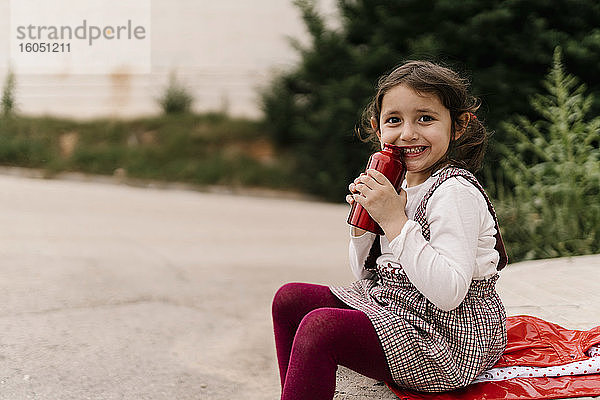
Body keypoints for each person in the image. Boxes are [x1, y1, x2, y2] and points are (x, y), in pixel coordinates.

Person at [271, 60, 508, 400]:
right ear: (378, 128)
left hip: (449, 339)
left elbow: (448, 293)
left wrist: (396, 221)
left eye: (425, 118)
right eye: (394, 120)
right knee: (290, 299)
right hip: (399, 309)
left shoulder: (454, 193)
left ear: (458, 126)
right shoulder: (398, 186)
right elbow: (367, 278)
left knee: (322, 328)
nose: (408, 133)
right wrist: (364, 226)